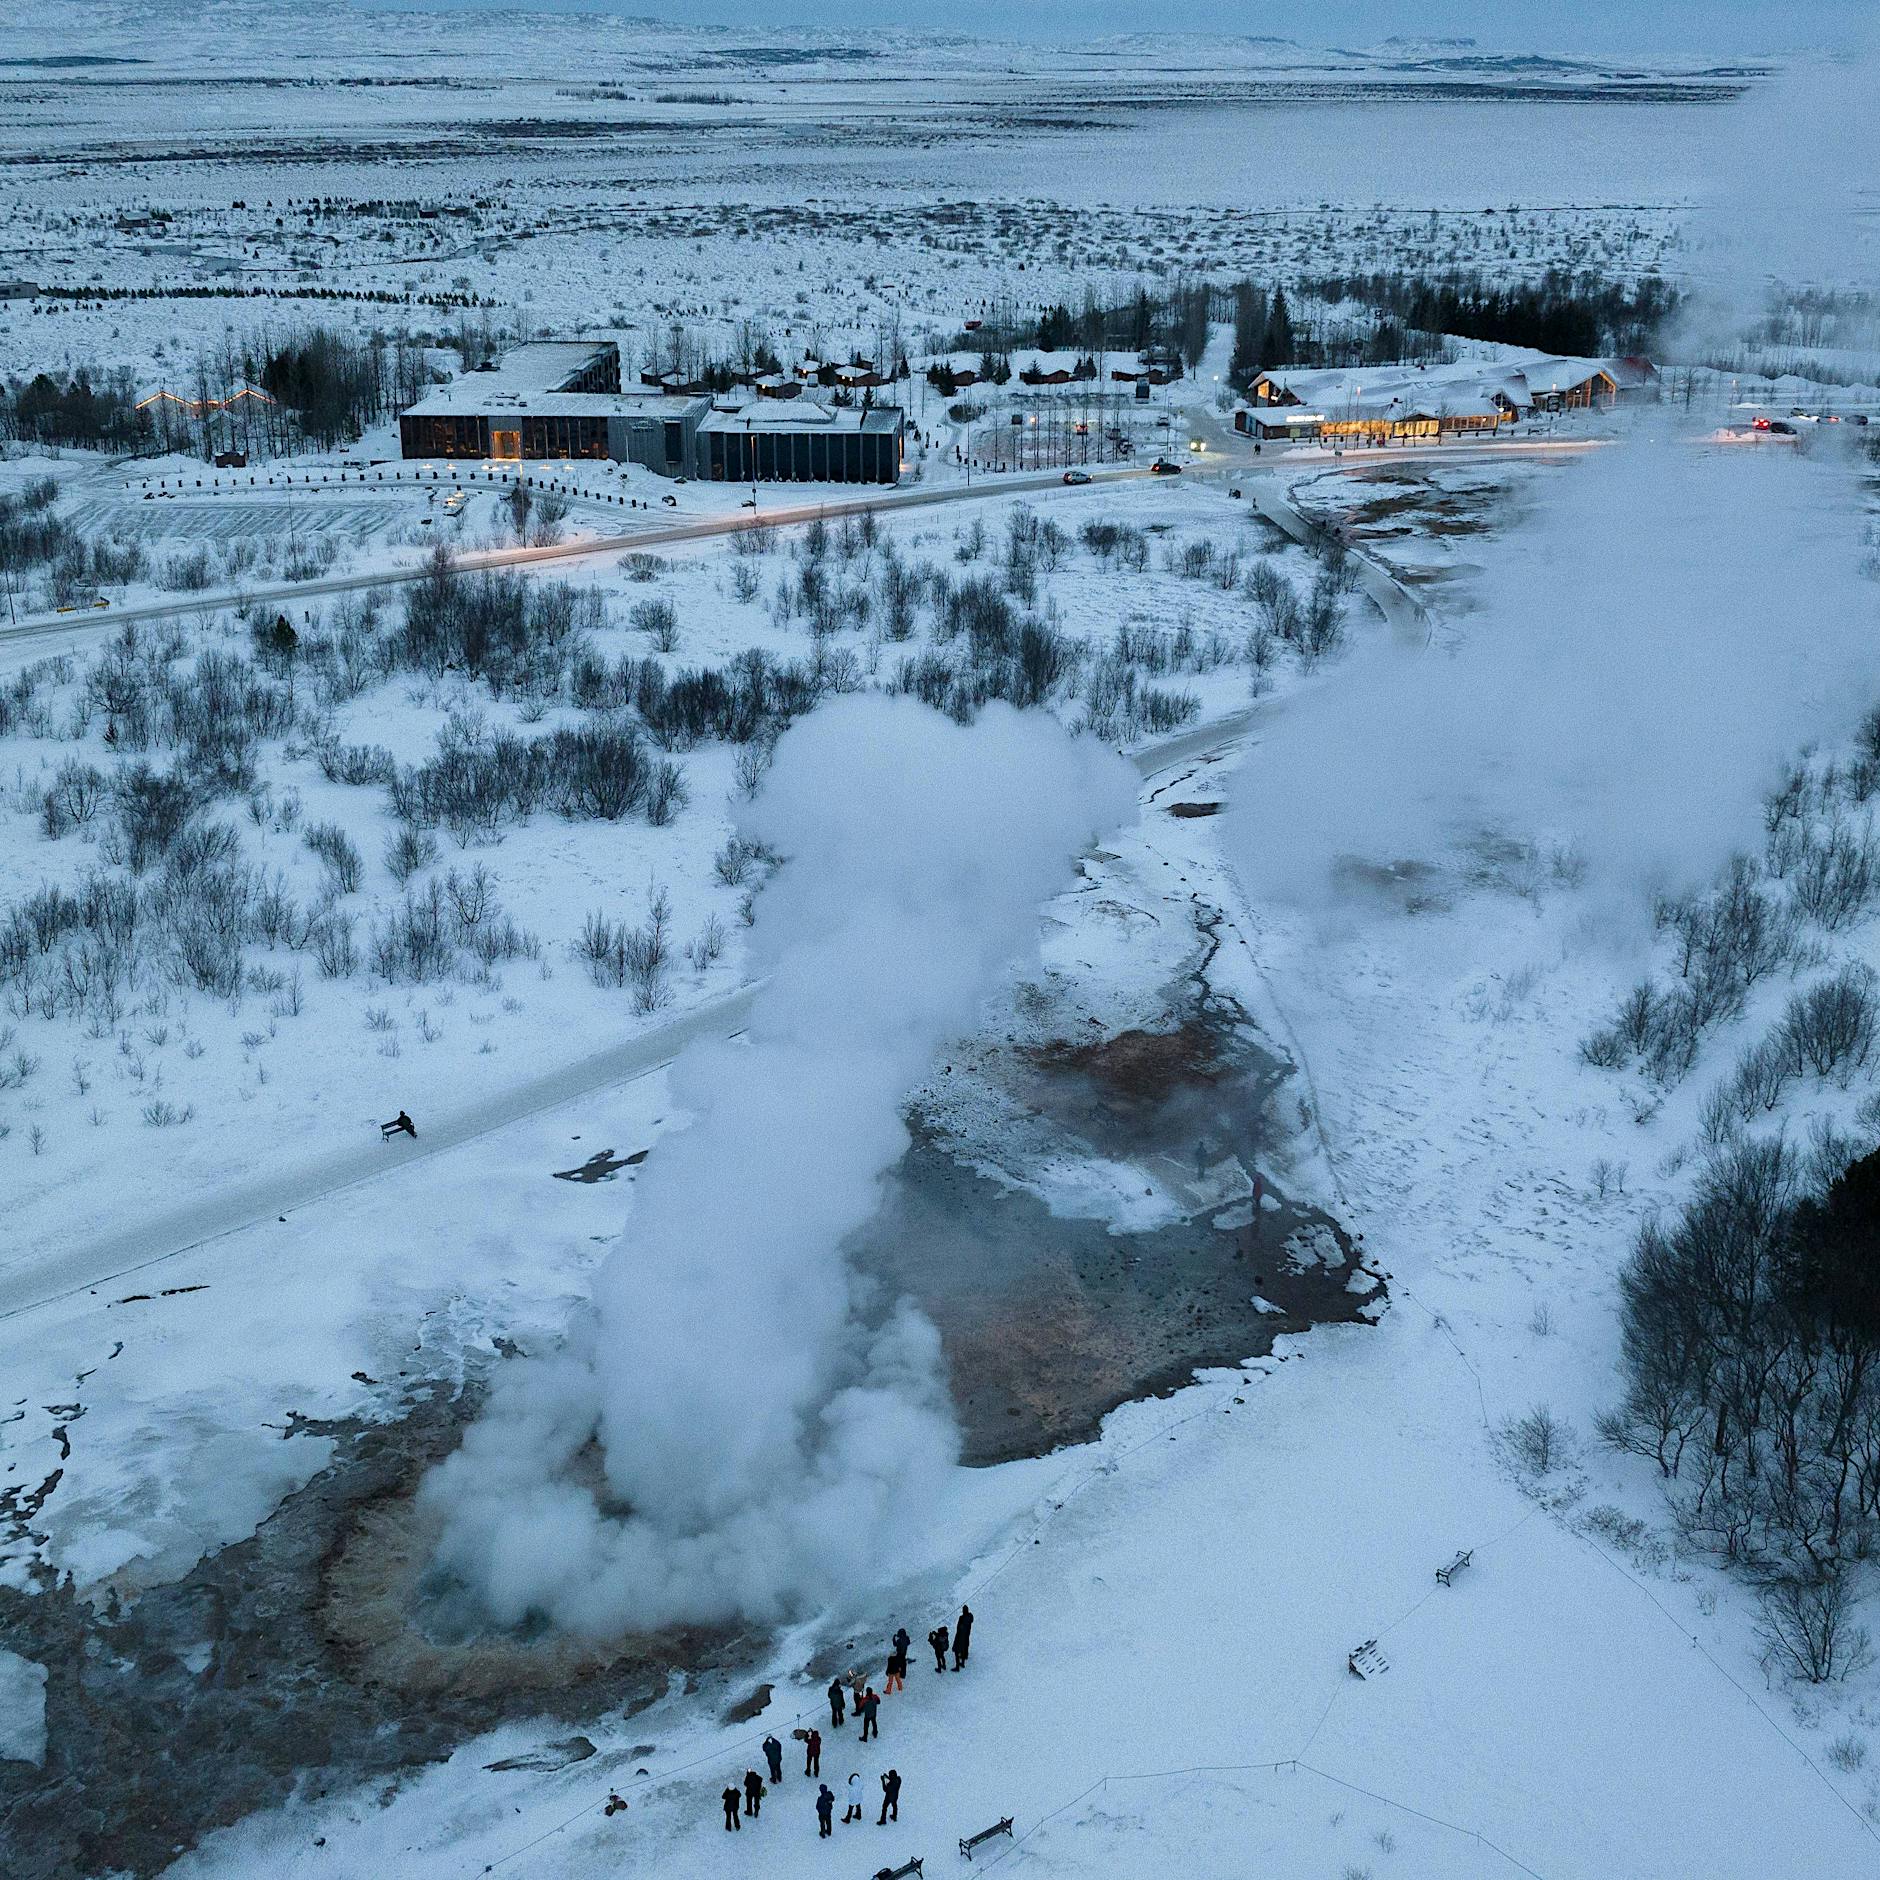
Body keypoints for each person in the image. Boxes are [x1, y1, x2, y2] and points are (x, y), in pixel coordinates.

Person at [954, 1603, 974, 1669]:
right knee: (966, 1643)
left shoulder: (962, 1618)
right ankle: (965, 1655)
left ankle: (961, 1657)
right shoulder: (970, 1617)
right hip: (967, 1633)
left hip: (961, 1634)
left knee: (961, 1645)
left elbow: (959, 1627)